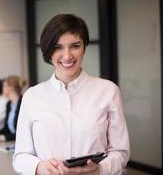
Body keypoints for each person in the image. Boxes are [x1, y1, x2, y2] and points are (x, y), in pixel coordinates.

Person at [13, 14, 130, 175]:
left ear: (84, 47)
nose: (67, 56)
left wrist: (100, 170)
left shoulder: (108, 91)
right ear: (48, 51)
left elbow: (121, 152)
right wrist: (39, 167)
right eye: (58, 47)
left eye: (75, 46)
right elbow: (20, 156)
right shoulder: (32, 96)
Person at [0, 75, 26, 142]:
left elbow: (22, 133)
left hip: (21, 142)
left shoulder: (23, 104)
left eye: (4, 86)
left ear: (10, 88)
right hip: (12, 142)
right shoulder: (9, 104)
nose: (2, 88)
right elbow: (7, 128)